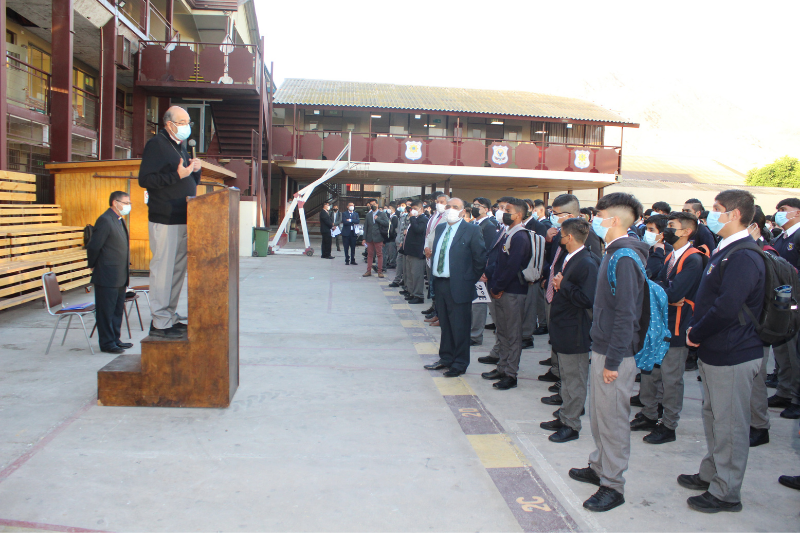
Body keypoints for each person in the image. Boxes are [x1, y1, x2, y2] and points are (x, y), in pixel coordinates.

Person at [678, 189, 765, 513]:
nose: (710, 215)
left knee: (730, 425)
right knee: (715, 418)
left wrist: (696, 333)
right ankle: (711, 473)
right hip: (716, 350)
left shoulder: (743, 254)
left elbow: (727, 307)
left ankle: (727, 492)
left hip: (732, 351)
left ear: (736, 214)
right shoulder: (726, 250)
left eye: (717, 210)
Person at [568, 191, 647, 513]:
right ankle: (599, 466)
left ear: (613, 220)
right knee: (601, 416)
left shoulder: (624, 257)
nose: (594, 222)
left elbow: (627, 314)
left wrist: (613, 360)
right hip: (602, 346)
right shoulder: (613, 252)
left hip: (615, 353)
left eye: (598, 216)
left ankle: (613, 484)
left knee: (613, 420)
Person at [633, 211, 704, 444]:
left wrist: (664, 291)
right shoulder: (671, 256)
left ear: (686, 231)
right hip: (660, 324)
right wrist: (664, 291)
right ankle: (649, 413)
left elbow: (672, 292)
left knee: (671, 379)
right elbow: (657, 286)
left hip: (676, 327)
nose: (667, 231)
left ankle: (669, 424)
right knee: (651, 372)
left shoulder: (693, 259)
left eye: (672, 226)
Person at [138, 106, 201, 338]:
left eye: (188, 122)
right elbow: (145, 179)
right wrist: (179, 176)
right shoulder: (157, 144)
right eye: (182, 121)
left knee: (176, 271)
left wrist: (196, 171)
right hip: (165, 218)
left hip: (184, 216)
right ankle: (159, 322)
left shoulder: (180, 146)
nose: (186, 126)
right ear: (169, 123)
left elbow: (188, 180)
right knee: (163, 271)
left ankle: (169, 316)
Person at [539, 217, 598, 443]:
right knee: (566, 375)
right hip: (563, 326)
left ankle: (571, 424)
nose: (559, 238)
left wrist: (564, 285)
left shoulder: (586, 262)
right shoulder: (571, 257)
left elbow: (587, 298)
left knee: (575, 379)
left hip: (574, 330)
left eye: (562, 235)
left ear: (570, 237)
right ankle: (565, 414)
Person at [540, 194, 603, 386]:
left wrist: (565, 285)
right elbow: (557, 260)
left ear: (569, 214)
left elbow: (589, 268)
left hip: (571, 297)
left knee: (568, 339)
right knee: (556, 330)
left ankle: (563, 379)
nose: (554, 217)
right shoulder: (561, 232)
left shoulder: (586, 237)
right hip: (556, 290)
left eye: (557, 214)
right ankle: (557, 367)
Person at [423, 198, 487, 377]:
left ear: (463, 211)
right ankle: (446, 358)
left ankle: (459, 363)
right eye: (448, 206)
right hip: (441, 283)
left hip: (460, 285)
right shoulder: (442, 228)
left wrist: (468, 280)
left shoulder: (472, 230)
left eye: (455, 207)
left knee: (460, 327)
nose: (450, 209)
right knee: (446, 325)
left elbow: (480, 259)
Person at [481, 199, 532, 391]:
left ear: (518, 215)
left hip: (512, 291)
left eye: (507, 210)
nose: (503, 213)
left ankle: (511, 373)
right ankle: (501, 367)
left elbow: (512, 267)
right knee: (502, 331)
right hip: (501, 289)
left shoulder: (520, 236)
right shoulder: (508, 233)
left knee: (512, 334)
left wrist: (498, 286)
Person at [86, 191, 134, 354]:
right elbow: (94, 246)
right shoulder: (105, 220)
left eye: (129, 203)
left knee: (116, 309)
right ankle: (107, 343)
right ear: (115, 202)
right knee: (106, 311)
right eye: (126, 202)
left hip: (120, 275)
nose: (128, 206)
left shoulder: (119, 220)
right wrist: (93, 265)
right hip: (107, 275)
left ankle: (115, 339)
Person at [767, 198, 800, 419]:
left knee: (795, 352)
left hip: (794, 302)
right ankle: (785, 391)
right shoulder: (780, 238)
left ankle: (796, 397)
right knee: (782, 351)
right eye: (778, 210)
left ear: (797, 213)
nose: (779, 214)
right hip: (780, 302)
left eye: (784, 210)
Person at [746, 206, 774, 447]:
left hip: (756, 328)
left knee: (756, 381)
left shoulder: (762, 252)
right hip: (744, 328)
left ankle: (759, 425)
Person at [469, 197, 499, 346]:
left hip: (480, 272)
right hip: (471, 270)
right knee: (472, 303)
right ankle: (471, 332)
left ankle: (475, 335)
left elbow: (488, 251)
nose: (475, 208)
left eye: (478, 206)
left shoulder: (489, 226)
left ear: (486, 209)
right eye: (473, 205)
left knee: (479, 304)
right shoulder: (473, 223)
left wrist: (483, 271)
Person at [423, 193, 449, 318]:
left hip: (438, 254)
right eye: (438, 201)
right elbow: (429, 234)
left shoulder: (447, 217)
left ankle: (438, 312)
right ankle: (434, 306)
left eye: (442, 202)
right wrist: (426, 248)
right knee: (431, 282)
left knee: (437, 284)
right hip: (429, 253)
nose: (439, 204)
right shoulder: (434, 216)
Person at [401, 200, 428, 304]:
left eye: (415, 209)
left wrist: (412, 218)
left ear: (421, 209)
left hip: (417, 251)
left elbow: (418, 230)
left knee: (417, 275)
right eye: (412, 209)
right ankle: (412, 293)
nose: (413, 211)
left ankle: (418, 295)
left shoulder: (423, 219)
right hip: (410, 251)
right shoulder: (415, 219)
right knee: (410, 274)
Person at [362, 199, 390, 278]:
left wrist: (377, 219)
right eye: (371, 204)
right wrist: (364, 238)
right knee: (370, 255)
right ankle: (368, 271)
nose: (372, 206)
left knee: (379, 254)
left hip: (379, 237)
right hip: (369, 238)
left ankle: (380, 271)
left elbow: (386, 223)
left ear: (377, 205)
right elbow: (366, 227)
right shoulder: (368, 215)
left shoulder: (382, 214)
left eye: (374, 204)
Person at [643, 214, 672, 279]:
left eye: (651, 230)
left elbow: (651, 272)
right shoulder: (645, 247)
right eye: (646, 229)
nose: (647, 232)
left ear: (662, 234)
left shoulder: (668, 251)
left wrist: (658, 252)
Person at [389, 200, 409, 288]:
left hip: (405, 244)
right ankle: (401, 280)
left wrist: (401, 241)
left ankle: (399, 280)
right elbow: (400, 230)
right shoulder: (402, 216)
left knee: (401, 261)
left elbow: (405, 232)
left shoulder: (410, 218)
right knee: (400, 261)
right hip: (400, 242)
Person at [384, 204, 399, 269]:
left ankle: (392, 263)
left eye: (389, 208)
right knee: (388, 251)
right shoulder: (389, 216)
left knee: (392, 250)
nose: (388, 210)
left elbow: (393, 228)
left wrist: (391, 235)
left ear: (393, 209)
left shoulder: (395, 217)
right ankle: (388, 261)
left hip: (392, 237)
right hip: (388, 237)